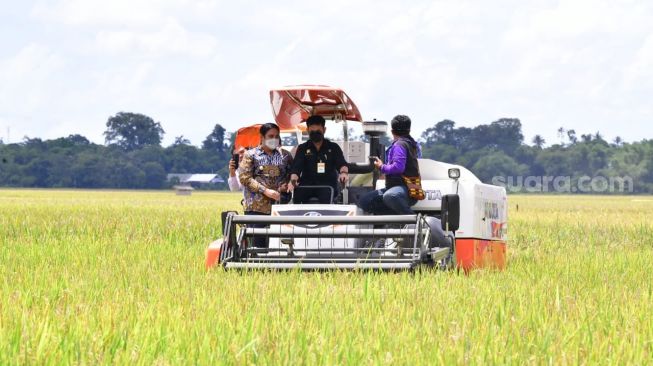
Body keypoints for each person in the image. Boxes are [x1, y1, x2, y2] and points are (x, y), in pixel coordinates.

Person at [239, 123, 293, 247]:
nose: (274, 139)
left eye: (276, 136)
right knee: (257, 245)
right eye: (270, 136)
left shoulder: (285, 155)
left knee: (279, 244)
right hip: (256, 207)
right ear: (262, 137)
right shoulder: (250, 155)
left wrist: (287, 184)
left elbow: (293, 174)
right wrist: (265, 191)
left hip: (279, 207)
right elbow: (245, 178)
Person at [358, 115, 421, 215]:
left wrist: (381, 167)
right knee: (365, 201)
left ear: (392, 131)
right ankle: (392, 221)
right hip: (410, 188)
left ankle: (413, 220)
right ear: (409, 130)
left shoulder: (399, 145)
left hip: (405, 190)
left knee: (390, 196)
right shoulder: (413, 144)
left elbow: (398, 167)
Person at [288, 115, 349, 204]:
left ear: (324, 130)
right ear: (307, 130)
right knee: (298, 194)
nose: (315, 133)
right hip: (307, 185)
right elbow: (296, 168)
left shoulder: (333, 147)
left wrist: (344, 173)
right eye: (312, 131)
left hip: (327, 186)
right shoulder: (302, 148)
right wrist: (293, 181)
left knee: (327, 196)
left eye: (318, 131)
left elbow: (342, 164)